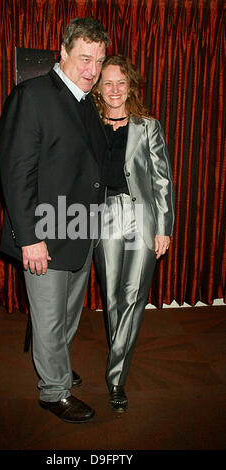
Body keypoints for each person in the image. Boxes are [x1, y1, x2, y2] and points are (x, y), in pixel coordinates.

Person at [0, 18, 110, 424]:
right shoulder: (33, 95)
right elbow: (16, 173)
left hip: (78, 229)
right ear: (61, 52)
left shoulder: (83, 100)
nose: (92, 70)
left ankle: (55, 365)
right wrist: (30, 238)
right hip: (44, 233)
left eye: (98, 61)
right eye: (84, 58)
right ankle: (53, 391)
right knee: (48, 317)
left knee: (66, 315)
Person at [92, 55, 174, 413]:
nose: (114, 90)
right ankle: (119, 358)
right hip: (103, 214)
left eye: (120, 83)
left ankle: (116, 378)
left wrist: (164, 227)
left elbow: (162, 180)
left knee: (133, 295)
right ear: (98, 87)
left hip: (142, 216)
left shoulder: (148, 126)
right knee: (111, 296)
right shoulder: (88, 124)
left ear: (131, 86)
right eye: (107, 82)